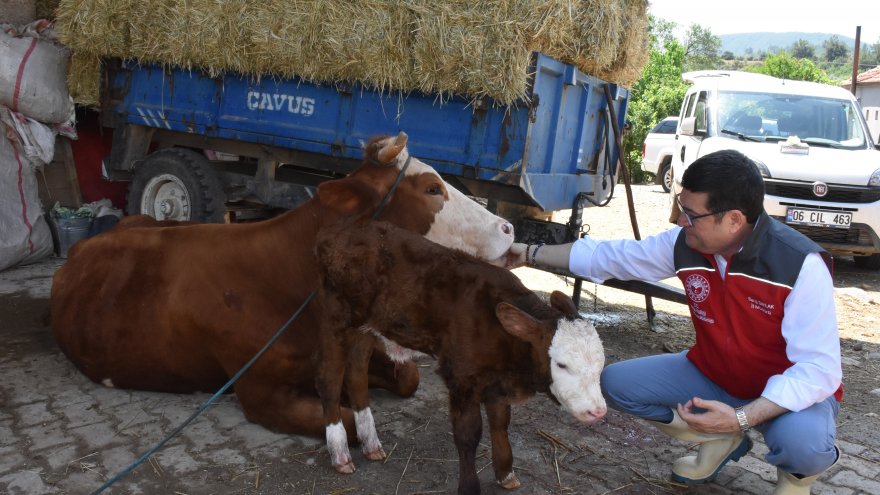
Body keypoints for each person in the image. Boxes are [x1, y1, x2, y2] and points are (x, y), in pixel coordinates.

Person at [505, 149, 842, 494]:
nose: (680, 222)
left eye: (691, 215)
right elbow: (613, 256)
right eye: (681, 208)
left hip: (784, 391)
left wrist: (742, 416)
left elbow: (819, 369)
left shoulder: (800, 265)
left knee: (806, 447)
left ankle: (795, 480)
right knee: (615, 384)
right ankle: (721, 440)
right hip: (713, 373)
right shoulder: (687, 244)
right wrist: (529, 253)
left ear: (734, 220)